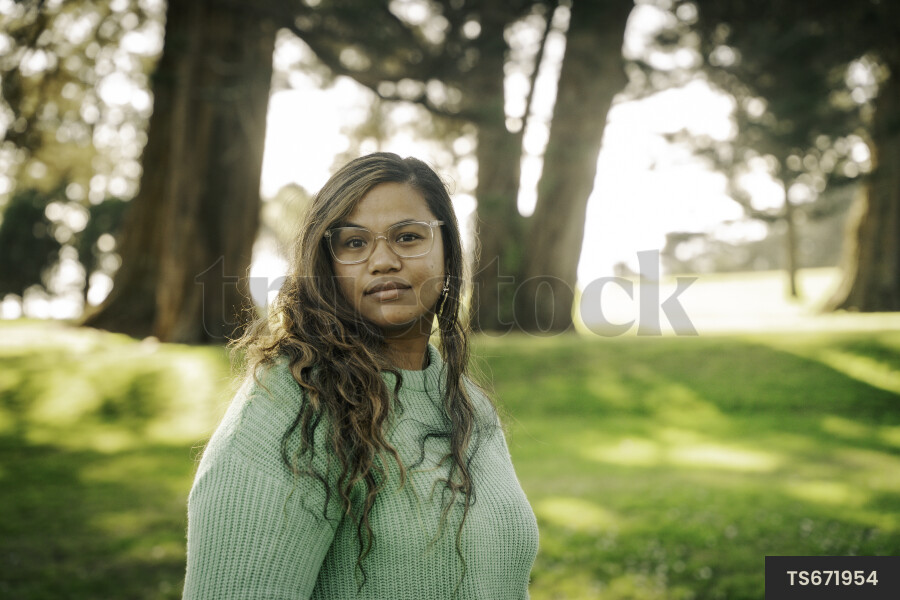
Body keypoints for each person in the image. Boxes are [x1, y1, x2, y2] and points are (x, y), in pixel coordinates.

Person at [182, 152, 539, 599]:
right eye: (353, 243)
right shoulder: (292, 403)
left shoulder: (469, 404)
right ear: (326, 265)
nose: (382, 260)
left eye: (407, 237)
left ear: (448, 251)